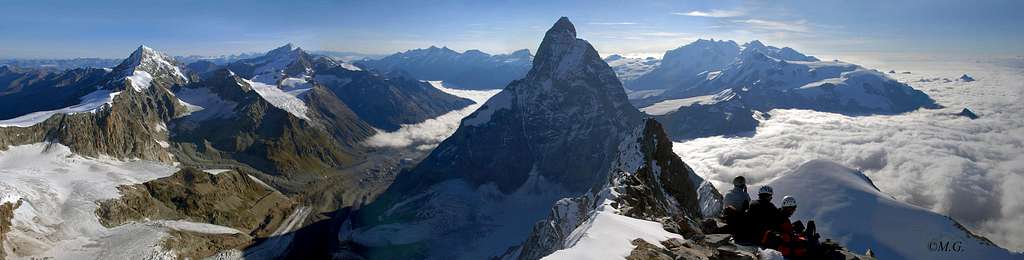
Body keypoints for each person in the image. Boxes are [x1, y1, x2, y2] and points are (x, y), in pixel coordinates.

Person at [722, 176, 751, 242]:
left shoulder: (727, 194)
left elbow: (724, 206)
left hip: (728, 218)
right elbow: (748, 204)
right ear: (743, 185)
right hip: (739, 219)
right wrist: (745, 192)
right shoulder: (745, 195)